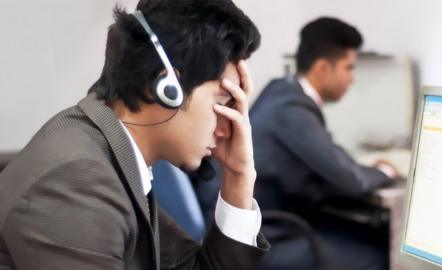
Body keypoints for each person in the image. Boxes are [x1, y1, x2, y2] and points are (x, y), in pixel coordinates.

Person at [0, 0, 269, 269]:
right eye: (222, 104)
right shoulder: (76, 183)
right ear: (166, 88)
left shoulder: (110, 158)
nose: (227, 129)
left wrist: (237, 175)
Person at [250, 17, 398, 270]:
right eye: (349, 68)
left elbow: (330, 158)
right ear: (322, 68)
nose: (352, 78)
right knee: (379, 254)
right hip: (264, 238)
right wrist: (385, 171)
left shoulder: (280, 91)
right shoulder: (290, 108)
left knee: (368, 233)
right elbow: (351, 179)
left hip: (260, 225)